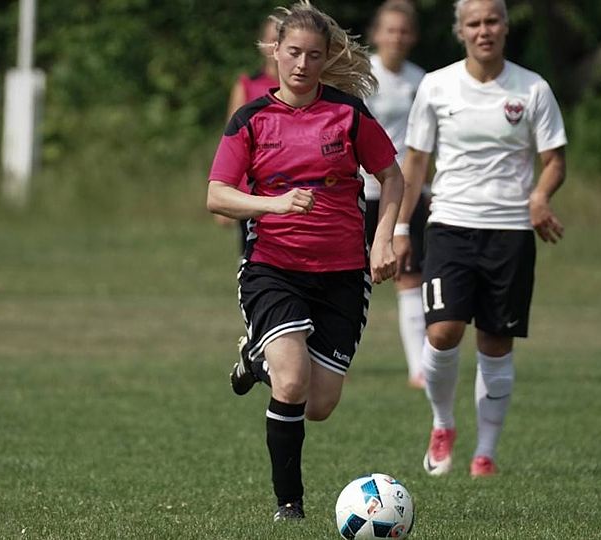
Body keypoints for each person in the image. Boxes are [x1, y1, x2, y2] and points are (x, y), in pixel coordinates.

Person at [206, 0, 405, 521]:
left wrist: (383, 239)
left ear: (326, 57)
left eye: (313, 55)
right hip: (273, 267)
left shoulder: (348, 114)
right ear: (275, 51)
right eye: (293, 52)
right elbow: (217, 195)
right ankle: (288, 504)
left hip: (342, 273)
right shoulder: (251, 119)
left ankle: (256, 360)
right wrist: (273, 204)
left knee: (318, 405)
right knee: (292, 382)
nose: (302, 64)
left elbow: (392, 176)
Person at [395, 0, 567, 478]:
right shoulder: (436, 86)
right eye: (474, 23)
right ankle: (442, 423)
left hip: (510, 232)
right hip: (449, 224)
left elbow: (555, 160)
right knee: (442, 331)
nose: (484, 30)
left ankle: (485, 453)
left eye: (492, 21)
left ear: (506, 27)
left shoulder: (533, 88)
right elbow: (415, 162)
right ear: (461, 31)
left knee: (495, 342)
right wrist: (402, 227)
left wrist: (540, 196)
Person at [363, 0, 428, 389]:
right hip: (365, 190)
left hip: (406, 192)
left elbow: (427, 146)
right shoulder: (362, 77)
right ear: (376, 34)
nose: (397, 37)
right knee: (350, 277)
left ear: (413, 36)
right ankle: (331, 357)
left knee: (409, 274)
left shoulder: (423, 81)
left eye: (404, 30)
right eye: (390, 29)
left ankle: (419, 369)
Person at [214, 18, 281, 253]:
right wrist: (228, 190)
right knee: (253, 252)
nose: (276, 47)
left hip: (293, 186)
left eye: (282, 40)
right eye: (272, 40)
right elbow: (232, 145)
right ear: (261, 44)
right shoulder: (248, 85)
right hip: (254, 189)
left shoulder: (307, 89)